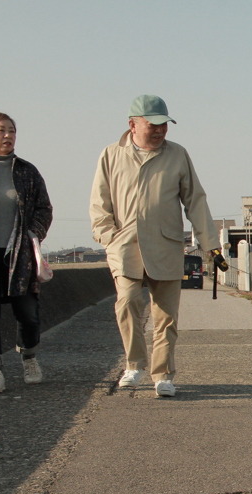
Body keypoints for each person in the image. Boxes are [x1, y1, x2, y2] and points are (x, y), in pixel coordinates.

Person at [90, 95, 220, 397]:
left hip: (166, 244)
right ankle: (134, 365)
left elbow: (195, 200)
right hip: (125, 243)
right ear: (133, 124)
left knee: (166, 316)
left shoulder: (178, 154)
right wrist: (108, 235)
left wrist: (210, 243)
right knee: (127, 302)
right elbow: (99, 202)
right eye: (153, 124)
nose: (160, 131)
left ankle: (162, 375)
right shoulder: (111, 154)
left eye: (165, 125)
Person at [0, 113, 53, 394]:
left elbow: (44, 208)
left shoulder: (27, 172)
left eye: (12, 131)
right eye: (1, 131)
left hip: (19, 254)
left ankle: (29, 357)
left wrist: (33, 232)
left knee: (28, 312)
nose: (7, 136)